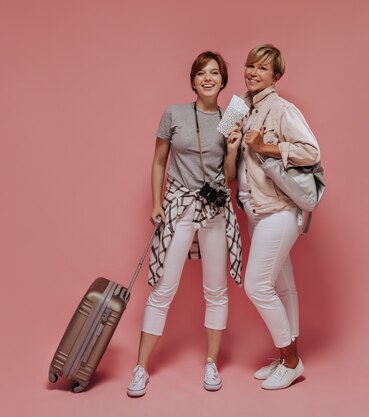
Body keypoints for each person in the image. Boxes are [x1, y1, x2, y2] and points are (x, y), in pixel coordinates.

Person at [126, 51, 243, 397]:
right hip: (178, 206)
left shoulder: (230, 116)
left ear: (223, 81)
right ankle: (140, 368)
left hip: (214, 209)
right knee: (163, 287)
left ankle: (211, 362)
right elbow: (159, 161)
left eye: (215, 73)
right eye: (201, 73)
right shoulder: (174, 113)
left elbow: (229, 177)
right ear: (192, 80)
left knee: (216, 290)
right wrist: (156, 202)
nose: (208, 78)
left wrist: (234, 150)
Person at [227, 44, 320, 390]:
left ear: (276, 76)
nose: (253, 72)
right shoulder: (241, 107)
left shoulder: (282, 108)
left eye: (263, 69)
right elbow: (222, 144)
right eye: (250, 65)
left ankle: (292, 360)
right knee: (282, 285)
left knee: (257, 285)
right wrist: (234, 140)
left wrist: (266, 147)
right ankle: (285, 359)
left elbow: (311, 151)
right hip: (255, 209)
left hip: (280, 210)